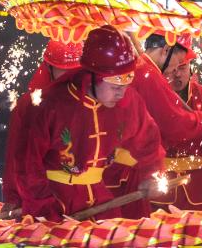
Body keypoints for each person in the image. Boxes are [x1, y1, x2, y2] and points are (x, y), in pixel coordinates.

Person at [21, 25, 164, 221]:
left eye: (127, 81)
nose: (121, 92)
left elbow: (148, 139)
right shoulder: (50, 104)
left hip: (100, 198)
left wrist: (152, 174)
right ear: (92, 76)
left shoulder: (127, 101)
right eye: (115, 83)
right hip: (56, 200)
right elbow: (27, 165)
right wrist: (45, 209)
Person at [103, 33, 202, 218]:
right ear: (166, 50)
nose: (176, 69)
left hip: (156, 176)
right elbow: (172, 123)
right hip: (134, 173)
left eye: (183, 65)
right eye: (178, 61)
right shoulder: (147, 74)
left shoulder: (146, 71)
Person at [1, 39, 82, 211]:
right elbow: (16, 155)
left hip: (87, 196)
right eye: (64, 70)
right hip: (45, 197)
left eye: (76, 71)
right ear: (48, 67)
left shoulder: (95, 100)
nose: (70, 77)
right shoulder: (30, 105)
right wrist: (13, 197)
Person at [154, 36, 202, 210]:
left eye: (183, 67)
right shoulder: (154, 95)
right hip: (162, 185)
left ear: (191, 68)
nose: (177, 73)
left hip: (198, 184)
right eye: (174, 68)